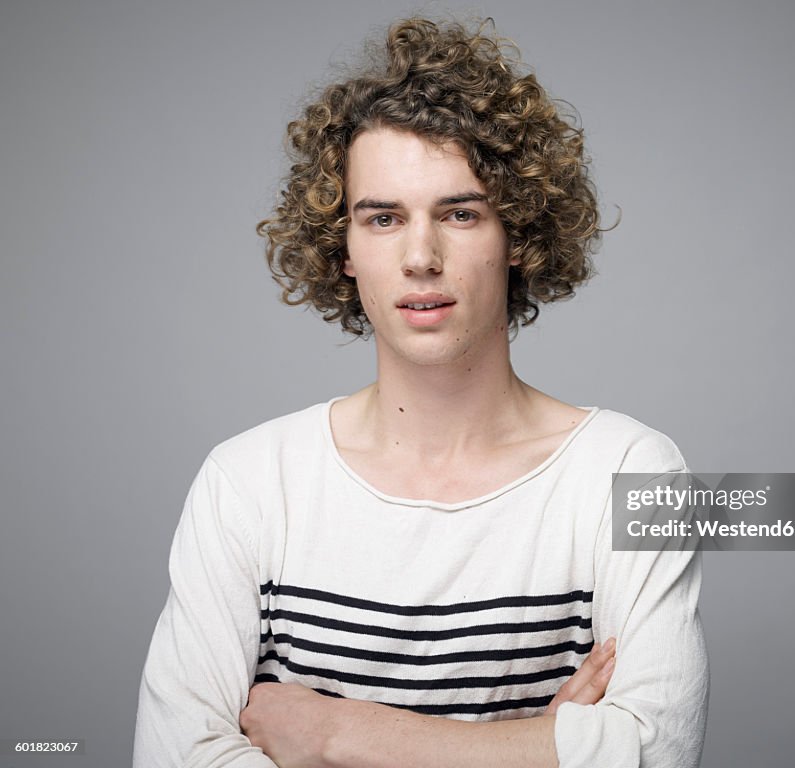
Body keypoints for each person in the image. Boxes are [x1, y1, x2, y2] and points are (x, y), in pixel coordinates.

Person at [133, 17, 708, 768]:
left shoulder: (635, 472)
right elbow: (174, 758)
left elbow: (656, 754)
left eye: (460, 214)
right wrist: (538, 749)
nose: (419, 257)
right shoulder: (246, 483)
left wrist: (341, 736)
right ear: (343, 250)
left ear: (518, 235)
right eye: (382, 218)